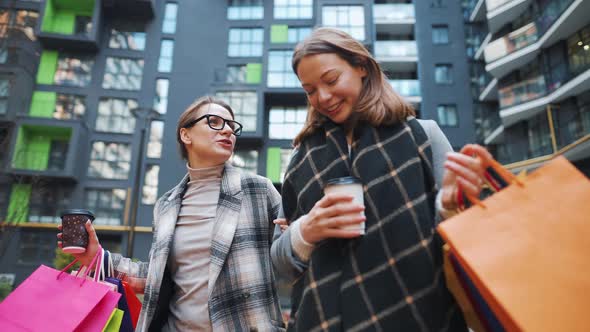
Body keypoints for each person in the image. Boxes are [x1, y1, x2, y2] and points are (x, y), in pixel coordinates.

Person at [270, 28, 491, 331]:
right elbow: (279, 264)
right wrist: (305, 231)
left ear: (362, 67)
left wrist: (451, 205)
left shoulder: (423, 136)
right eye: (309, 90)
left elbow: (463, 240)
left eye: (331, 80)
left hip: (421, 317)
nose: (322, 97)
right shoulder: (299, 159)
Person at [58, 96, 286, 331]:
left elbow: (289, 255)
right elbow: (157, 278)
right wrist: (98, 258)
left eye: (231, 125)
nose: (228, 130)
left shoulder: (258, 190)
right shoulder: (166, 205)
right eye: (215, 122)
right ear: (185, 135)